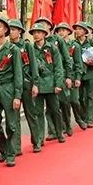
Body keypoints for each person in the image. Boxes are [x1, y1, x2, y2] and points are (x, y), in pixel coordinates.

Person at [0, 17, 26, 166]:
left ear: (5, 30)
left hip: (8, 87)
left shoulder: (13, 50)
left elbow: (18, 73)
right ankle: (3, 148)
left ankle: (11, 153)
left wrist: (17, 95)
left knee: (12, 123)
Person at [29, 21, 63, 149]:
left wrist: (58, 84)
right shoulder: (30, 49)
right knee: (38, 113)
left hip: (51, 84)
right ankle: (39, 139)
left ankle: (59, 132)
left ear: (44, 34)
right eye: (34, 33)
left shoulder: (52, 48)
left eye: (39, 32)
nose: (36, 35)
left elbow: (58, 67)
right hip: (37, 85)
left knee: (55, 110)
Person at [75, 22, 93, 127]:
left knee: (89, 96)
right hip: (78, 74)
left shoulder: (92, 43)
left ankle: (90, 118)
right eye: (76, 29)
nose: (77, 31)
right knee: (79, 97)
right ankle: (83, 116)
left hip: (89, 72)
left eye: (80, 29)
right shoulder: (73, 43)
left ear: (85, 31)